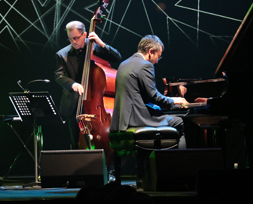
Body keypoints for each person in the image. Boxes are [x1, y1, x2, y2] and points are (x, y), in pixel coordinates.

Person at [109, 34, 187, 147]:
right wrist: (175, 100)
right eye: (158, 56)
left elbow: (140, 96)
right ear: (151, 52)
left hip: (122, 122)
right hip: (139, 119)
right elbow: (154, 97)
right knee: (182, 122)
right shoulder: (145, 65)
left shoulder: (124, 64)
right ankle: (182, 158)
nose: (157, 61)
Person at [54, 20, 122, 149]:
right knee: (76, 143)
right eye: (70, 38)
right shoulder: (62, 54)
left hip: (96, 105)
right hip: (74, 106)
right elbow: (59, 75)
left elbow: (117, 57)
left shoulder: (95, 47)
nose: (73, 41)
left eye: (76, 38)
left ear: (84, 35)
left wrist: (101, 43)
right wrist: (73, 84)